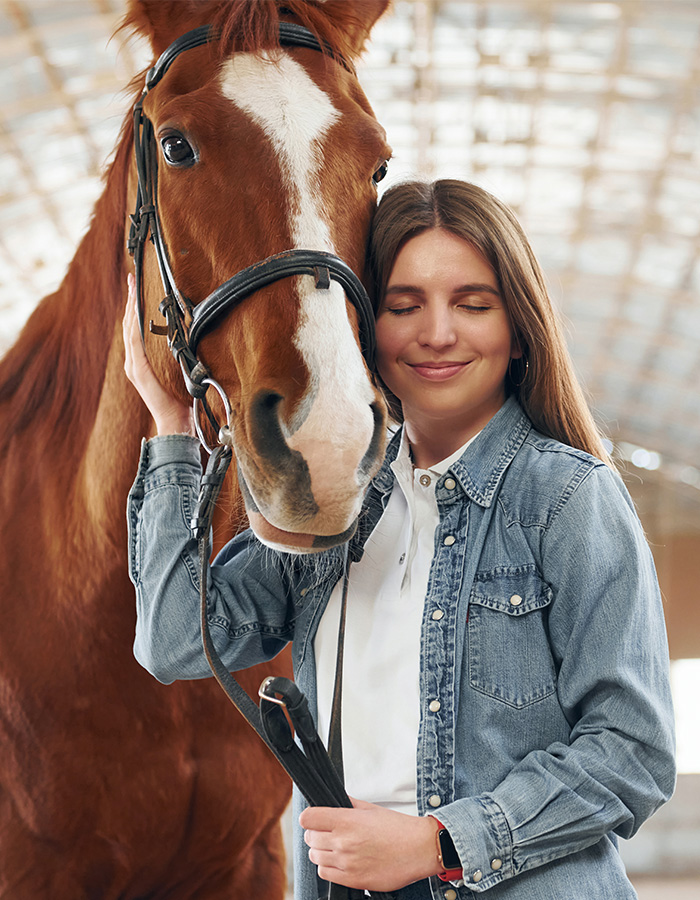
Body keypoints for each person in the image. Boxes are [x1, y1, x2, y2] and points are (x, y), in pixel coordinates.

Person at [124, 179, 676, 900]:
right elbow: (173, 640)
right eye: (403, 305)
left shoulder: (567, 496)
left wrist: (436, 843)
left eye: (473, 304)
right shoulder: (330, 500)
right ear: (361, 328)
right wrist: (170, 430)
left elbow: (633, 750)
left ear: (517, 328)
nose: (438, 333)